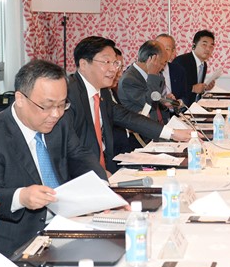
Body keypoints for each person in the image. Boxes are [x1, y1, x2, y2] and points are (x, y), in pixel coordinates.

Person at [0, 60, 107, 257]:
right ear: (20, 98)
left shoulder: (61, 122)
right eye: (47, 106)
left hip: (68, 223)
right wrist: (22, 197)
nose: (56, 114)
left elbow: (79, 155)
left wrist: (101, 187)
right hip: (21, 241)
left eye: (62, 104)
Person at [67, 36, 191, 172]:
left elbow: (127, 117)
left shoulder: (102, 92)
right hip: (80, 173)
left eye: (115, 63)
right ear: (84, 64)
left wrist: (172, 133)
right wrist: (99, 172)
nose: (114, 69)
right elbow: (71, 147)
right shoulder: (68, 94)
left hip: (103, 168)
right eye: (106, 62)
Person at [118, 40, 169, 122]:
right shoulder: (129, 80)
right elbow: (150, 102)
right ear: (152, 59)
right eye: (162, 63)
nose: (163, 68)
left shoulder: (149, 75)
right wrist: (153, 74)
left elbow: (156, 100)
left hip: (159, 123)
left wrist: (164, 101)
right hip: (143, 127)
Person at [173, 30, 217, 103]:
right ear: (194, 45)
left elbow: (197, 91)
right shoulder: (181, 61)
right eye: (204, 45)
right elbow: (174, 88)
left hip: (195, 105)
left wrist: (205, 88)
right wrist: (192, 89)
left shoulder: (204, 65)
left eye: (211, 46)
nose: (208, 49)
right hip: (182, 106)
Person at [156, 33, 190, 108]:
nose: (163, 52)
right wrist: (163, 101)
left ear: (173, 52)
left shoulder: (179, 70)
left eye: (167, 49)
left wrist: (178, 103)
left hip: (174, 112)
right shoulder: (147, 71)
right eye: (159, 48)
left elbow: (185, 96)